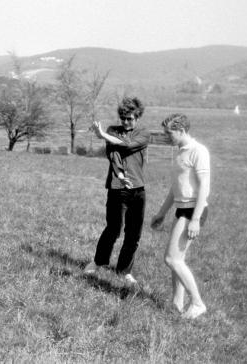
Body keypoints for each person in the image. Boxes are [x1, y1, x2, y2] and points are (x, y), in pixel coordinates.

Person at [84, 97, 150, 284]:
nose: (126, 122)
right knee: (113, 229)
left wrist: (102, 135)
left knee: (133, 232)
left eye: (130, 118)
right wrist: (120, 176)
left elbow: (127, 144)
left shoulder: (144, 133)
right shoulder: (114, 130)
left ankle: (124, 270)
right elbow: (113, 154)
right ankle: (98, 262)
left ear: (137, 117)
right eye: (123, 118)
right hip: (117, 187)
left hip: (138, 188)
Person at [151, 113, 210, 319]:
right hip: (181, 209)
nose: (167, 137)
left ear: (182, 131)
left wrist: (195, 219)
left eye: (169, 133)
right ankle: (177, 304)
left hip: (193, 211)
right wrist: (161, 213)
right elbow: (174, 189)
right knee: (177, 259)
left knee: (171, 258)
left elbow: (204, 186)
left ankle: (197, 303)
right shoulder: (179, 152)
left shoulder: (198, 151)